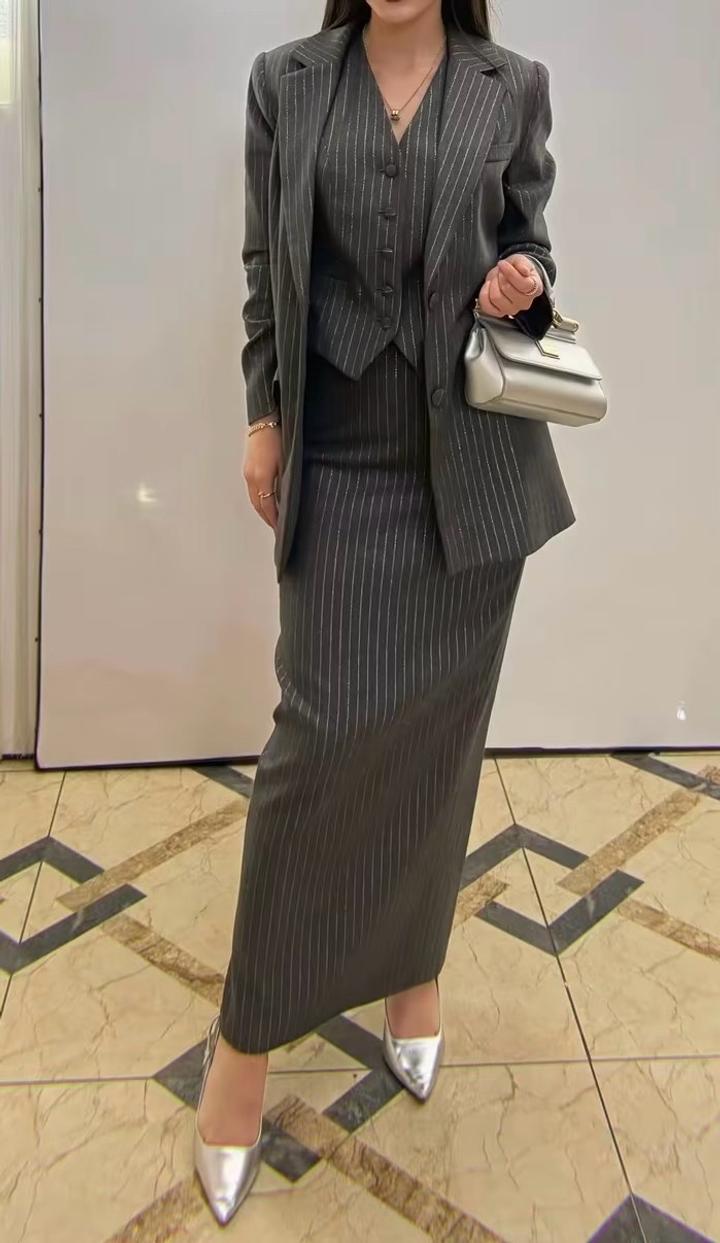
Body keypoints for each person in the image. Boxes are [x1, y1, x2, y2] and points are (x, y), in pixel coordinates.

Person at [194, 0, 575, 1224]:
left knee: (432, 749)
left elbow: (531, 244)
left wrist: (523, 282)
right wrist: (263, 414)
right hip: (343, 458)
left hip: (471, 477)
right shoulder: (285, 80)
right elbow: (266, 266)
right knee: (314, 748)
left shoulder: (511, 82)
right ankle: (244, 1042)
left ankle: (416, 973)